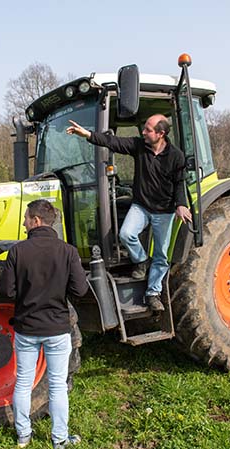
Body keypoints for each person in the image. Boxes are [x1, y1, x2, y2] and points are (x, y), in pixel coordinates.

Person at [66, 115, 192, 312]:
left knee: (161, 255)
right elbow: (113, 142)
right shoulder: (139, 146)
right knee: (126, 234)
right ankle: (141, 260)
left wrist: (181, 204)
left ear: (161, 134)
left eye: (148, 129)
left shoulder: (176, 156)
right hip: (141, 206)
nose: (143, 132)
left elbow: (179, 184)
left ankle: (153, 293)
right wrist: (88, 134)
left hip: (164, 212)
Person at [0, 199, 89, 449]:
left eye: (26, 218)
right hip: (57, 330)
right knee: (57, 385)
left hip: (26, 329)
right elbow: (80, 289)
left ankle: (23, 436)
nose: (24, 222)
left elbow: (6, 290)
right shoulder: (68, 251)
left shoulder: (17, 251)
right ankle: (59, 439)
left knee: (24, 382)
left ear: (36, 221)